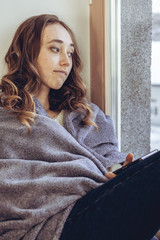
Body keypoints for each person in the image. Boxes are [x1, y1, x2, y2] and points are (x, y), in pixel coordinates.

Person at [0, 14, 159, 240]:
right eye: (55, 49)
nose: (66, 61)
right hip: (57, 224)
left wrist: (121, 169)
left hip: (102, 206)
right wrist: (86, 182)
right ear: (25, 53)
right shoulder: (6, 115)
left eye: (70, 53)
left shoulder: (86, 114)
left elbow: (108, 158)